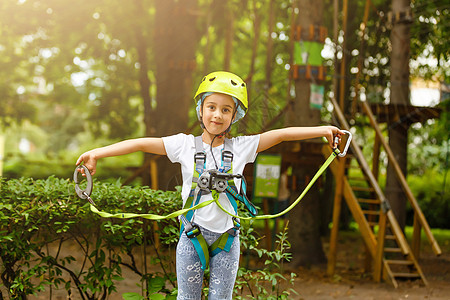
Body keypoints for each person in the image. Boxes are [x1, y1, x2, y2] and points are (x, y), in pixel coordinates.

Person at [76, 71, 344, 299]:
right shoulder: (184, 145)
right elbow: (142, 142)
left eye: (226, 110)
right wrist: (98, 152)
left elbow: (281, 135)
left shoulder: (241, 147)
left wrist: (323, 130)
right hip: (192, 235)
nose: (217, 115)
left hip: (227, 239)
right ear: (201, 109)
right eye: (212, 107)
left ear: (234, 115)